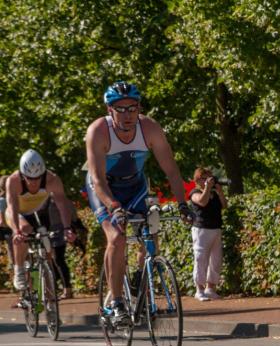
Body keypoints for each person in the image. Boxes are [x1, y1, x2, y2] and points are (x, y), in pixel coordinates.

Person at [85, 81, 193, 325]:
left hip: (135, 186)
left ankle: (137, 280)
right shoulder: (98, 131)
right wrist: (114, 207)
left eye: (132, 108)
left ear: (139, 108)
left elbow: (172, 171)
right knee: (117, 237)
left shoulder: (150, 128)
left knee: (150, 232)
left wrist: (183, 205)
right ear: (109, 110)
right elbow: (97, 180)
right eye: (120, 109)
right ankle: (116, 302)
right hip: (104, 189)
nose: (128, 114)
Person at [4, 150, 76, 293]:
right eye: (29, 178)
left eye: (38, 178)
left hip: (38, 212)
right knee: (24, 230)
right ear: (22, 175)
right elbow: (12, 207)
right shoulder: (13, 181)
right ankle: (19, 270)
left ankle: (48, 295)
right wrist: (16, 231)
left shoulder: (52, 179)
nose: (34, 182)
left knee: (47, 252)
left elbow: (62, 204)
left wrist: (67, 228)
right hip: (17, 213)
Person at [189, 167, 227, 301]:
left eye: (210, 178)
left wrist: (220, 191)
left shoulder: (214, 194)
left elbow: (224, 205)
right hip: (202, 230)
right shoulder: (194, 193)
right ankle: (199, 290)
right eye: (205, 178)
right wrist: (207, 188)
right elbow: (202, 202)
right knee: (201, 259)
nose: (208, 180)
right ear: (198, 180)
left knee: (216, 260)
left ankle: (210, 288)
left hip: (216, 228)